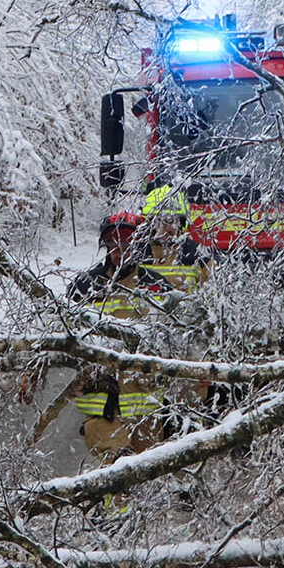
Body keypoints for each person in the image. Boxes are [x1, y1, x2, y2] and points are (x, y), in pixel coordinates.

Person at [66, 212, 177, 463]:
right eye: (114, 247)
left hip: (146, 406)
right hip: (101, 405)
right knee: (119, 465)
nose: (119, 253)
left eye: (126, 247)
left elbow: (177, 340)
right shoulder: (84, 287)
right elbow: (60, 337)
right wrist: (32, 377)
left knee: (148, 470)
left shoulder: (157, 287)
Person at [138, 185, 211, 290]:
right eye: (161, 221)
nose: (168, 228)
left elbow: (212, 291)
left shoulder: (197, 254)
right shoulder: (138, 254)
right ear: (150, 224)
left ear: (181, 223)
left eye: (173, 221)